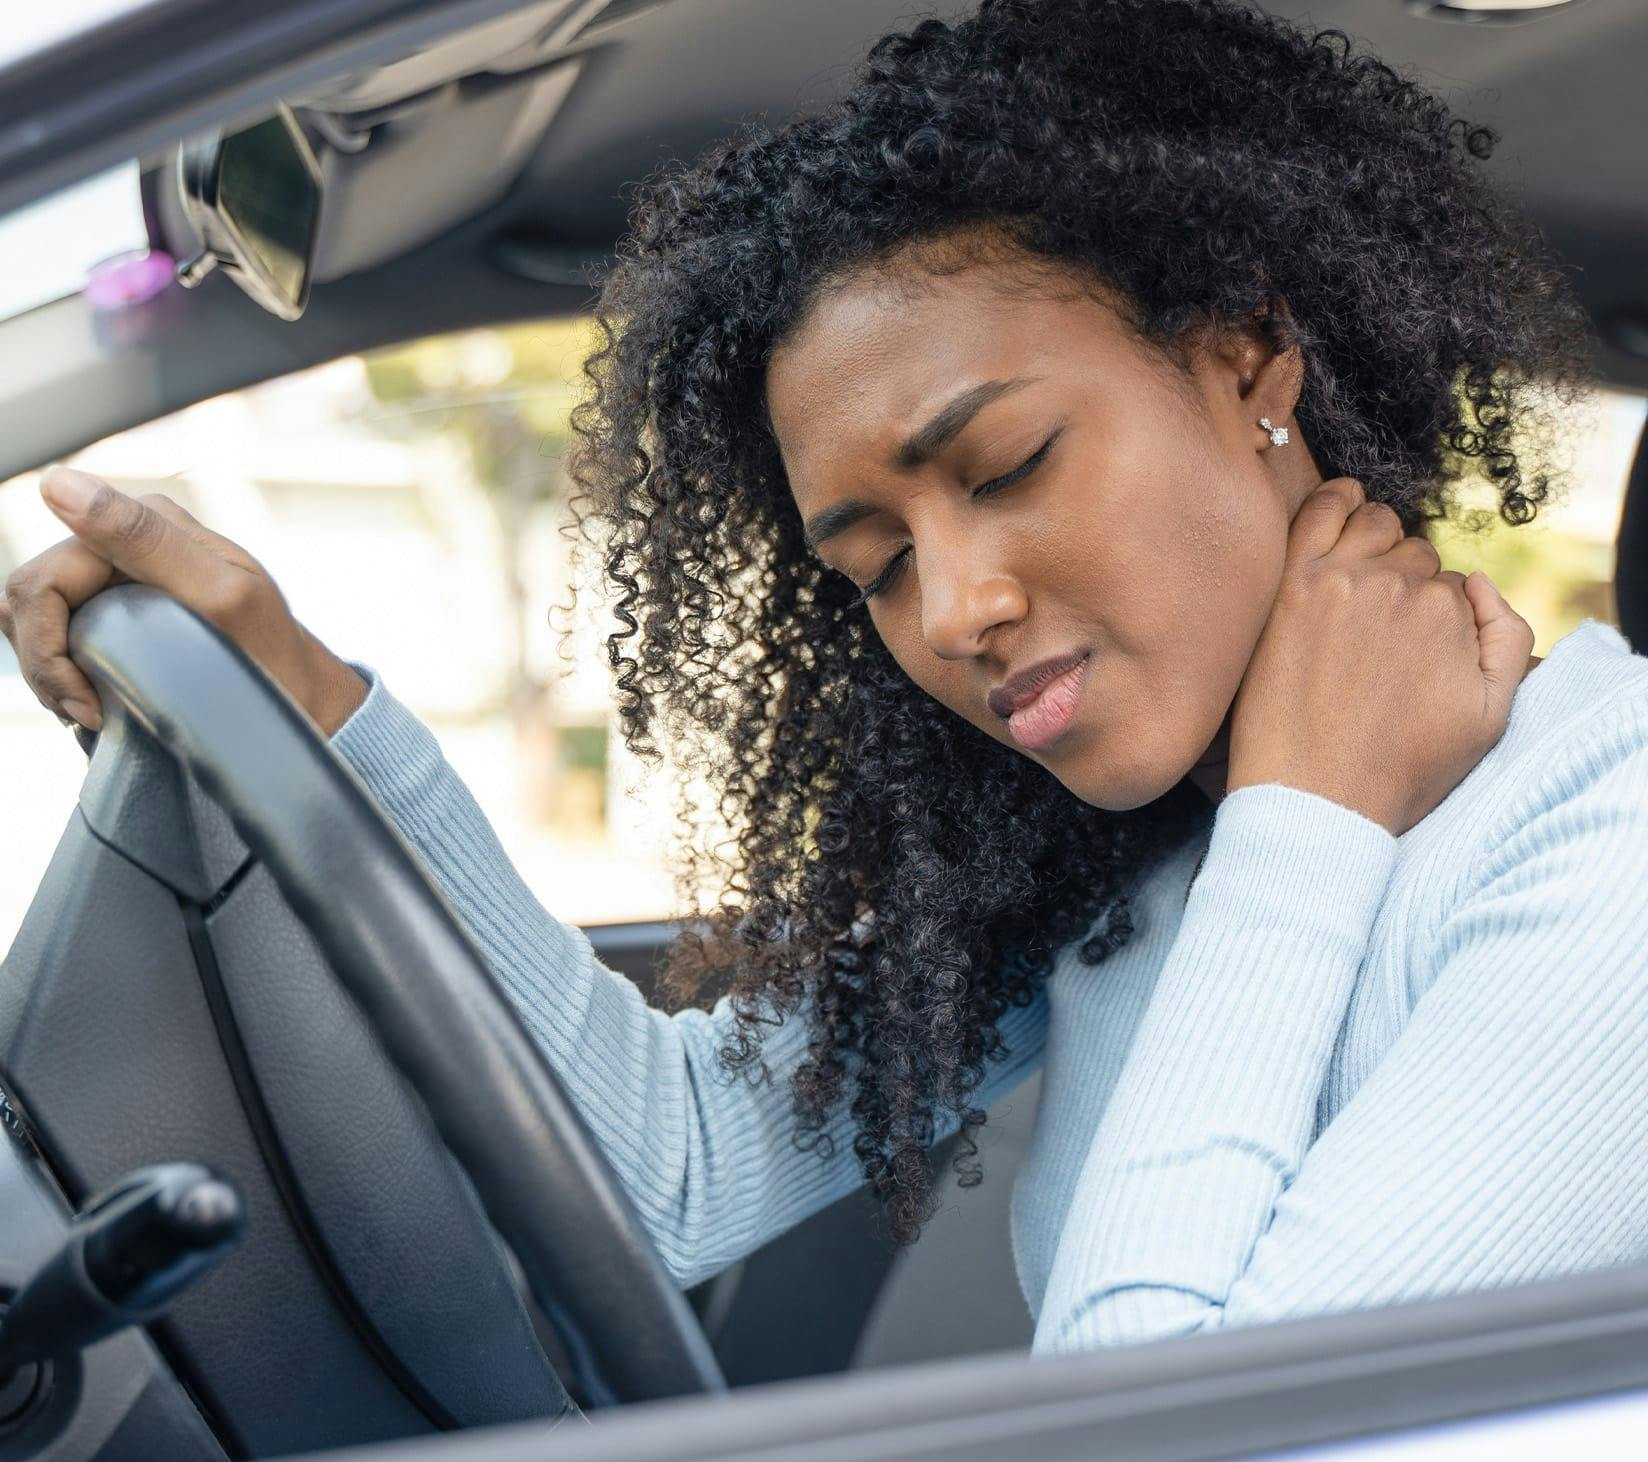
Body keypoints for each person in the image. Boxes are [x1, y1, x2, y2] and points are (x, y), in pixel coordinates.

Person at [5, 0, 1648, 1359]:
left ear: (1246, 358)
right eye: (874, 565)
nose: (956, 609)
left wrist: (1307, 822)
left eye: (1008, 465)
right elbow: (665, 1168)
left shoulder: (1604, 831)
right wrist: (316, 706)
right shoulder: (1132, 858)